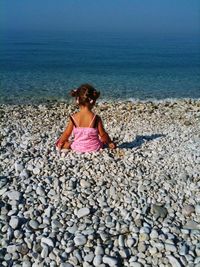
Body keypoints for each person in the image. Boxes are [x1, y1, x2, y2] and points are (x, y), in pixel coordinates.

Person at [56, 84, 116, 153]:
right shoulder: (96, 118)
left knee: (66, 143)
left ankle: (65, 145)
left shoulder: (74, 118)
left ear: (77, 100)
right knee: (102, 141)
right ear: (93, 101)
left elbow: (66, 134)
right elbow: (103, 134)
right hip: (94, 147)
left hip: (77, 147)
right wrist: (109, 142)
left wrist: (60, 142)